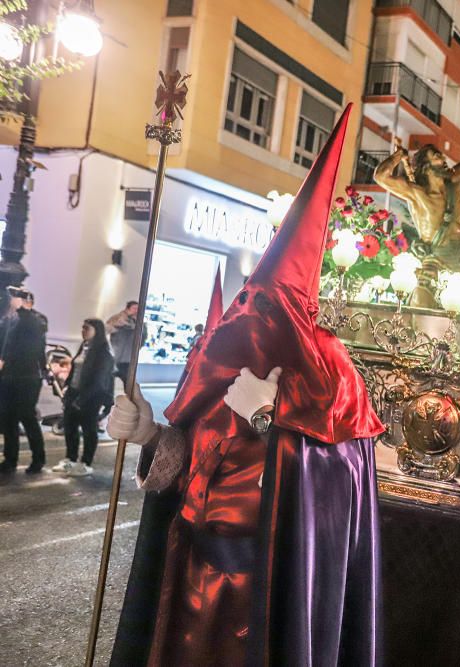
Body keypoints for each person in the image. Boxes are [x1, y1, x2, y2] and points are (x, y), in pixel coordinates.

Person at [107, 108, 384, 666]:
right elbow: (196, 453)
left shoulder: (331, 372)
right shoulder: (224, 357)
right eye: (251, 299)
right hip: (190, 576)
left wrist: (269, 417)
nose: (253, 311)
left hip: (262, 593)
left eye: (268, 303)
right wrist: (150, 437)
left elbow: (333, 491)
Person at [375, 89, 460, 278]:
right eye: (437, 157)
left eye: (442, 156)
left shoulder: (454, 179)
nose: (443, 159)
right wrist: (398, 156)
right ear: (425, 167)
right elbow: (380, 177)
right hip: (437, 257)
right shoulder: (417, 194)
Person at [51, 318, 115, 476]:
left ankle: (86, 463)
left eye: (87, 328)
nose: (83, 330)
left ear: (97, 331)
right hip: (74, 392)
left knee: (89, 429)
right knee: (70, 427)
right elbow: (75, 369)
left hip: (91, 397)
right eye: (82, 327)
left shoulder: (103, 353)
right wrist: (67, 387)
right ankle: (70, 459)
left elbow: (99, 382)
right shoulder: (84, 347)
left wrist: (83, 399)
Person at [0, 286, 47, 473]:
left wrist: (23, 308)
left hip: (27, 377)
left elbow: (36, 343)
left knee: (27, 417)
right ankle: (10, 459)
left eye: (13, 297)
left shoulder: (35, 320)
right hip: (10, 375)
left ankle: (38, 459)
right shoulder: (10, 320)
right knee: (8, 418)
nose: (10, 300)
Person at [106, 300, 147, 383]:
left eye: (138, 309)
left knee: (128, 383)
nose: (136, 311)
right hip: (115, 357)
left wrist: (137, 348)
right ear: (127, 309)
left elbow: (143, 338)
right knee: (109, 381)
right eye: (134, 308)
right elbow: (107, 329)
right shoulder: (117, 318)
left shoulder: (140, 322)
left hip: (129, 359)